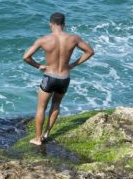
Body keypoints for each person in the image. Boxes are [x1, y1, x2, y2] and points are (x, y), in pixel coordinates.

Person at [22, 12, 95, 145]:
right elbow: (90, 51)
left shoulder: (43, 40)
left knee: (41, 108)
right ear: (64, 25)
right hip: (64, 78)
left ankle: (38, 138)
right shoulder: (73, 38)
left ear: (50, 24)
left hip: (49, 76)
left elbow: (26, 57)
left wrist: (39, 66)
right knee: (56, 105)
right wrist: (73, 65)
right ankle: (47, 133)